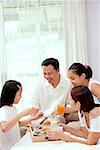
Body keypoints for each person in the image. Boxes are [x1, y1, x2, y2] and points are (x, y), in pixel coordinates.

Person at [0, 80, 43, 150]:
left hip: (15, 145)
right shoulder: (3, 110)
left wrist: (34, 118)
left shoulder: (13, 108)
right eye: (19, 94)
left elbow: (17, 124)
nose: (21, 97)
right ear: (12, 94)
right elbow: (4, 128)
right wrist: (21, 114)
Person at [28, 58, 71, 123]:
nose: (47, 76)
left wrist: (59, 111)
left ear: (58, 70)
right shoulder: (39, 85)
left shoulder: (68, 84)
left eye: (49, 73)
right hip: (41, 118)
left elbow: (69, 105)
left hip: (57, 118)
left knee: (58, 119)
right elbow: (34, 107)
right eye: (44, 74)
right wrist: (32, 121)